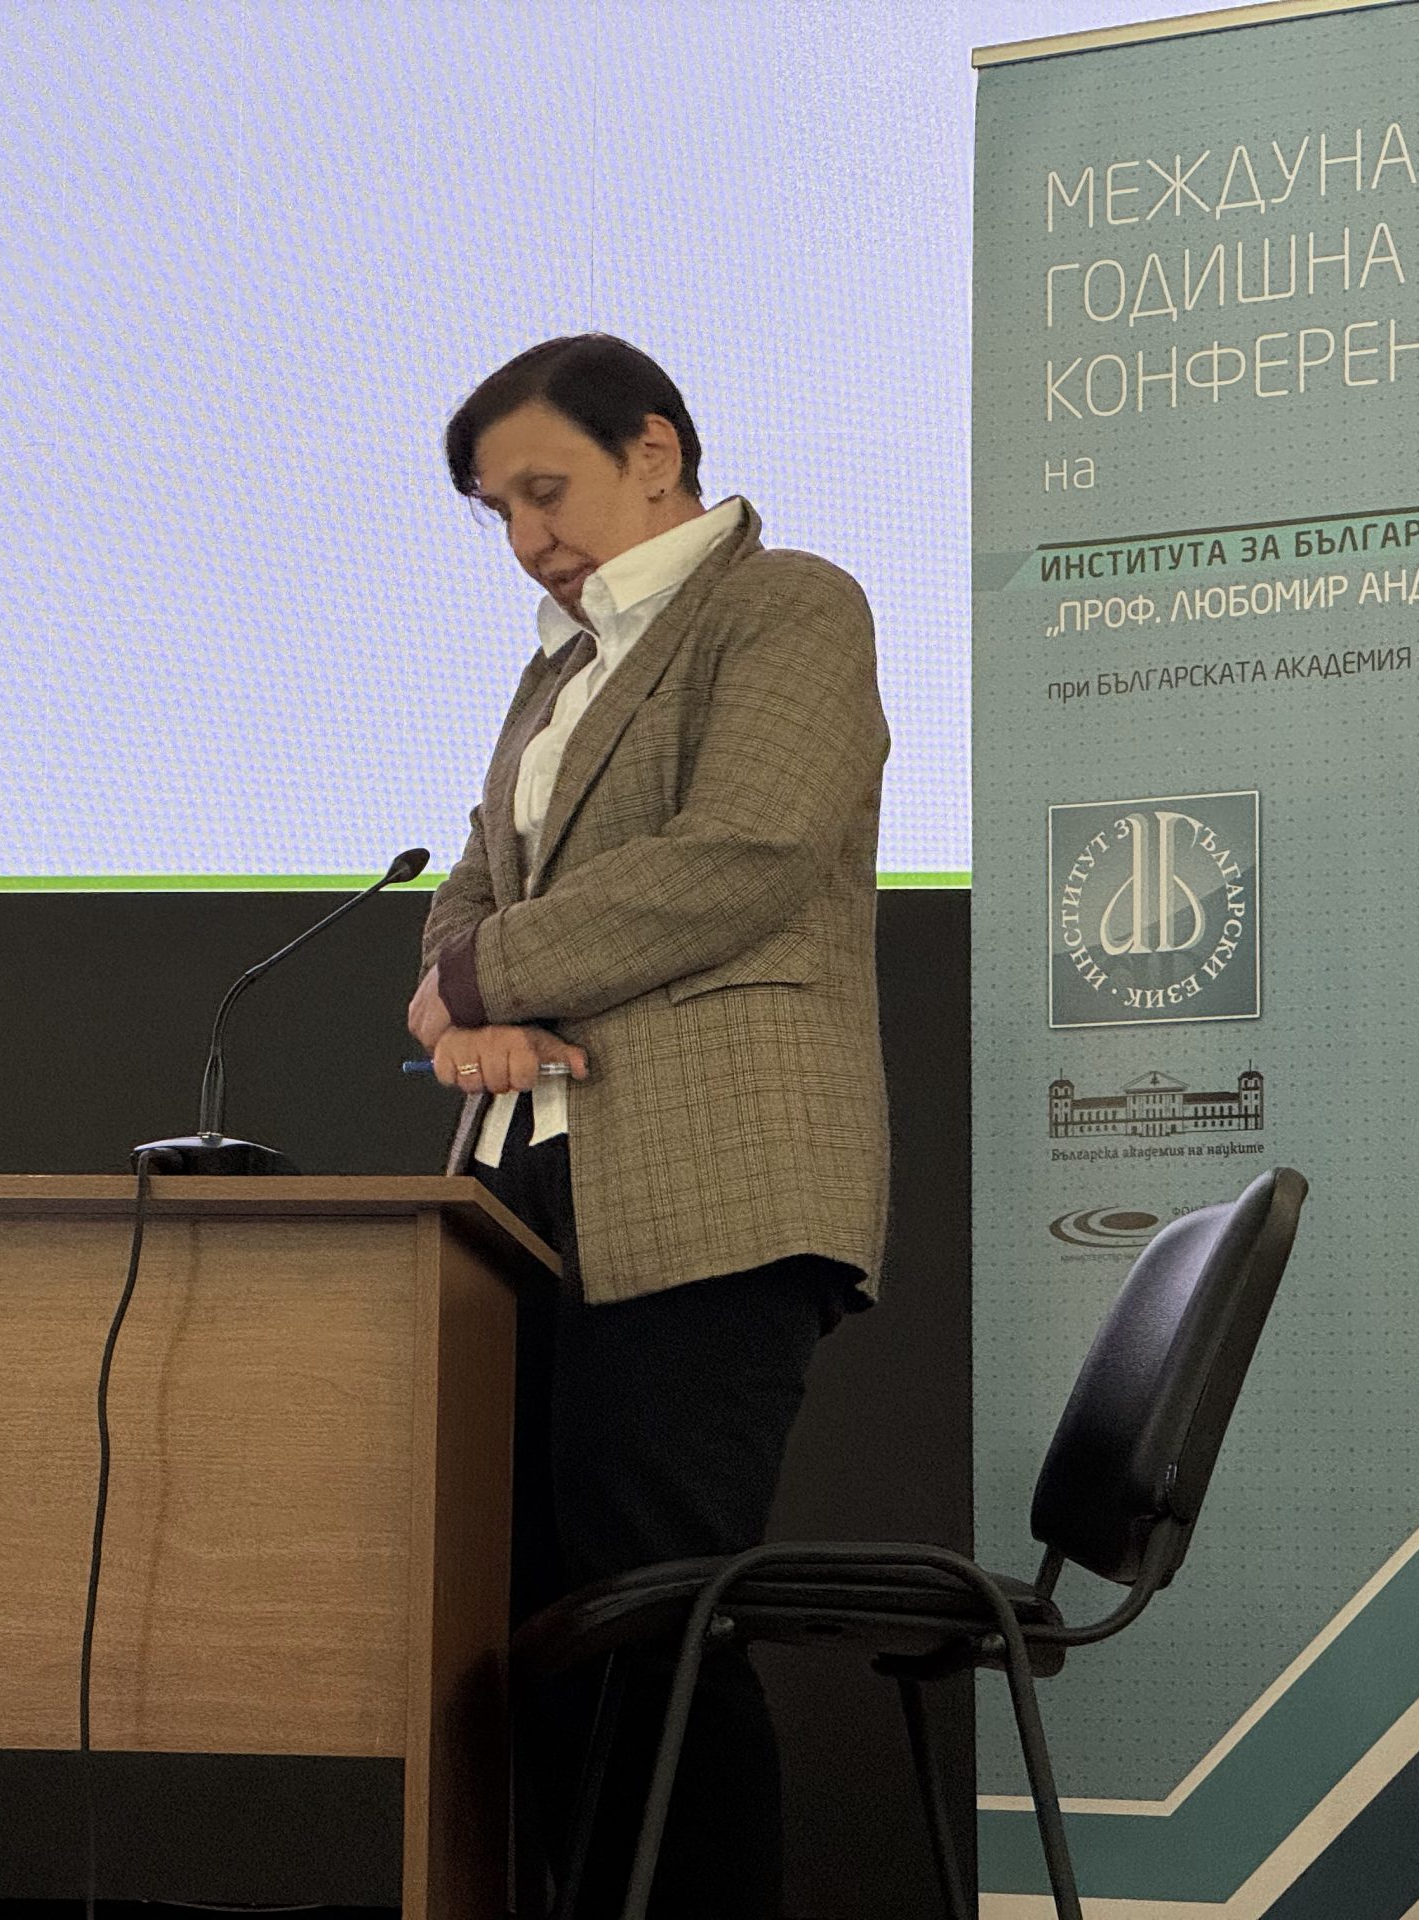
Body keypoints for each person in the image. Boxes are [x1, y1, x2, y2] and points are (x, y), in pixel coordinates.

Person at [407, 334, 891, 1919]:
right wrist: (455, 1005)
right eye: (499, 511)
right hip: (520, 1200)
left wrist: (473, 981)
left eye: (545, 489)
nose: (527, 535)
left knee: (653, 1616)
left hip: (713, 1178)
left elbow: (742, 853)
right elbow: (465, 894)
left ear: (657, 453)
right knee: (528, 1626)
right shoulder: (556, 671)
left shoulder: (786, 605)